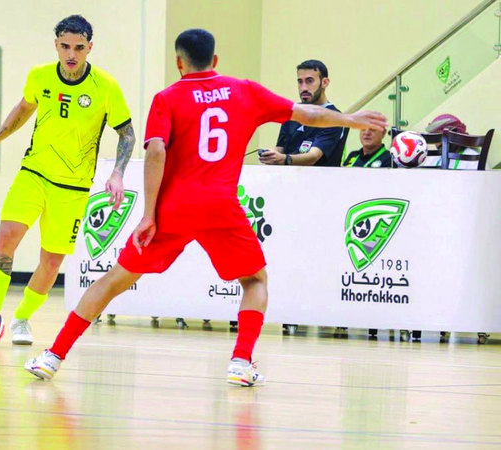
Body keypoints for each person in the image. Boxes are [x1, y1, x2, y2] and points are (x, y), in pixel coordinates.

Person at [24, 29, 387, 385]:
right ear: (214, 60)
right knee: (255, 281)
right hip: (220, 206)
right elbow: (306, 114)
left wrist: (149, 214)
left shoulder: (167, 98)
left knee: (113, 281)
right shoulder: (245, 90)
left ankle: (53, 356)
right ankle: (241, 361)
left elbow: (156, 151)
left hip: (173, 209)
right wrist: (351, 119)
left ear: (179, 63)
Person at [0, 15, 135, 345]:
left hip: (73, 187)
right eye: (65, 46)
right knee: (6, 238)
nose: (71, 54)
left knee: (51, 262)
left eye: (78, 48)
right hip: (34, 174)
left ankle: (22, 318)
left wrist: (118, 174)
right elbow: (23, 109)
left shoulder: (106, 86)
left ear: (89, 48)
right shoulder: (39, 76)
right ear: (56, 45)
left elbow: (127, 133)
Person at [259, 60, 346, 167]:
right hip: (287, 176)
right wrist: (270, 154)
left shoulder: (333, 118)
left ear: (324, 83)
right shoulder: (292, 112)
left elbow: (313, 157)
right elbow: (280, 148)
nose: (304, 88)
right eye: (300, 82)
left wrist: (284, 159)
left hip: (319, 177)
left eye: (309, 81)